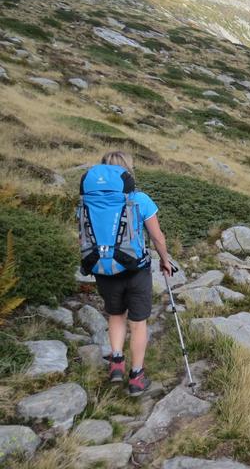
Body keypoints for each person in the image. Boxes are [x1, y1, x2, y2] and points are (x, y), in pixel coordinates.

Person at [80, 151, 172, 396]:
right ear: (127, 172)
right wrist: (165, 260)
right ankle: (136, 377)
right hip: (135, 270)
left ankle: (117, 363)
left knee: (115, 314)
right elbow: (157, 237)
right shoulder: (140, 199)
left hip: (102, 268)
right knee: (138, 322)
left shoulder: (88, 201)